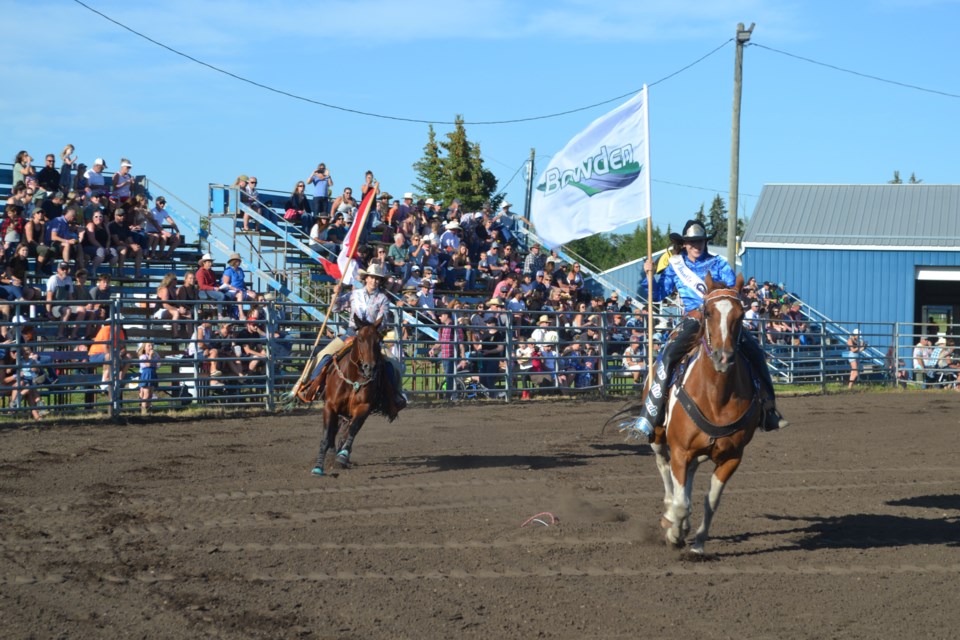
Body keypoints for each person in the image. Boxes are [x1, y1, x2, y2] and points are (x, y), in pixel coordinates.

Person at [627, 220, 789, 439]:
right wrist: (648, 276)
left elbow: (733, 290)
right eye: (692, 242)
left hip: (720, 318)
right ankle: (650, 412)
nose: (697, 245)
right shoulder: (676, 266)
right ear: (684, 244)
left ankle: (769, 409)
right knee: (668, 356)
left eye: (700, 241)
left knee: (755, 353)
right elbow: (656, 295)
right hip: (694, 319)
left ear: (705, 242)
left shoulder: (719, 264)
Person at [299, 263, 406, 419]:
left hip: (371, 338)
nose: (374, 281)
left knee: (394, 364)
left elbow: (383, 321)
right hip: (351, 334)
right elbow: (336, 308)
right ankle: (309, 385)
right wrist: (335, 296)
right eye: (372, 278)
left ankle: (394, 399)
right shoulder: (354, 294)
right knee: (323, 354)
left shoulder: (382, 299)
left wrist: (370, 329)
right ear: (366, 278)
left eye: (377, 279)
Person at [307, 163, 333, 233]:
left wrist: (328, 175)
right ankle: (314, 230)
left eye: (323, 168)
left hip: (325, 197)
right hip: (317, 197)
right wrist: (313, 173)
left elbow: (331, 184)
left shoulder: (327, 177)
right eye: (320, 168)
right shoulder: (315, 176)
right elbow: (308, 182)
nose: (321, 170)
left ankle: (322, 230)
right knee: (316, 215)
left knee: (324, 215)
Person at [137, 341, 159, 414]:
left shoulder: (154, 356)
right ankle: (143, 411)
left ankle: (148, 409)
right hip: (146, 374)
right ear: (144, 348)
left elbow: (157, 365)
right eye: (149, 346)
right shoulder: (142, 356)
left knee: (150, 394)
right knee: (146, 394)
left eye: (152, 346)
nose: (151, 347)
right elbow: (148, 364)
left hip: (152, 374)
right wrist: (150, 356)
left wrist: (155, 358)